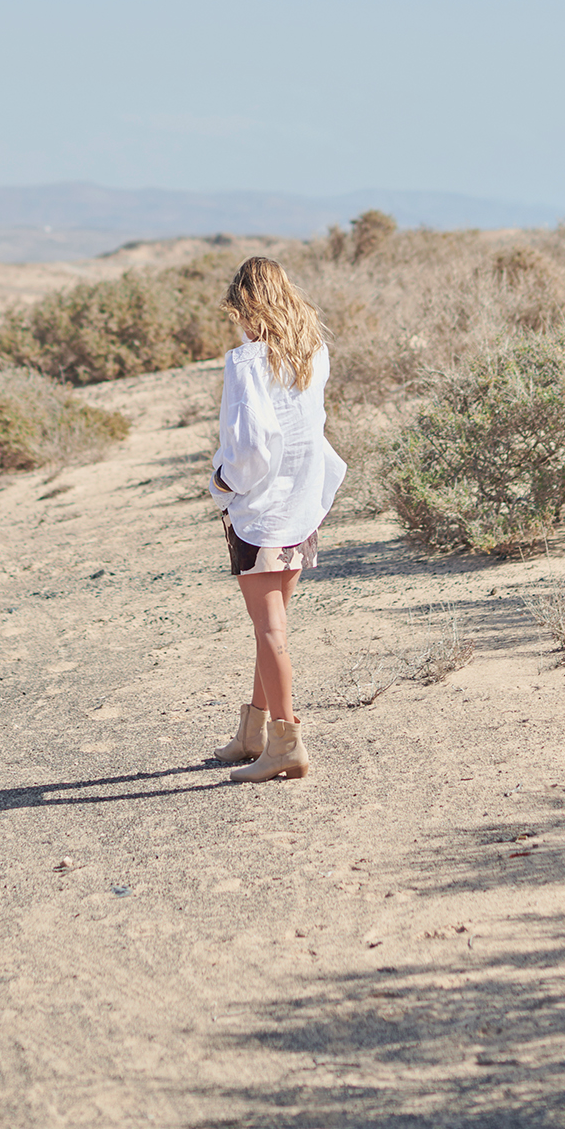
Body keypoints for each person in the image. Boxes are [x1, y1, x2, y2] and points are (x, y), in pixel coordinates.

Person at [209, 257, 346, 782]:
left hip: (261, 511)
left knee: (269, 631)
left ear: (247, 308)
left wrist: (223, 479)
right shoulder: (313, 353)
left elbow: (251, 445)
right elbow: (311, 428)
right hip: (302, 504)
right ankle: (253, 733)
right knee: (274, 627)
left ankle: (286, 742)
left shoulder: (247, 362)